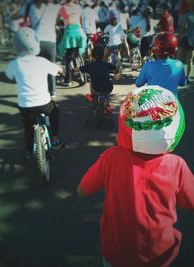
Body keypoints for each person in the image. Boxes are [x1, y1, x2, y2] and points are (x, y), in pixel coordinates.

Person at [77, 85, 194, 267]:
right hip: (160, 255)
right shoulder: (177, 165)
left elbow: (82, 190)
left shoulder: (111, 157)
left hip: (115, 253)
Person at [5, 27, 64, 159]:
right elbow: (58, 70)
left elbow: (9, 75)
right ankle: (55, 139)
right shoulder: (42, 62)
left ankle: (29, 152)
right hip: (43, 102)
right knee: (55, 112)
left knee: (28, 126)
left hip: (25, 105)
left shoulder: (15, 64)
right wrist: (60, 71)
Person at [135, 31, 186, 96]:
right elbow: (182, 83)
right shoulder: (179, 65)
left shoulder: (148, 65)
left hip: (153, 104)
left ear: (154, 47)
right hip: (172, 104)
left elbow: (138, 84)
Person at [29, 0, 60, 97]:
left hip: (36, 42)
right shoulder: (54, 7)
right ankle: (52, 92)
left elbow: (28, 22)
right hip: (50, 41)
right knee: (51, 67)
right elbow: (57, 20)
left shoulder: (32, 7)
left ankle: (38, 90)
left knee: (37, 68)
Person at [76, 45, 119, 113]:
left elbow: (79, 69)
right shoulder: (106, 64)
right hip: (108, 87)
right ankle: (108, 105)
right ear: (103, 56)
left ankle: (92, 96)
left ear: (92, 56)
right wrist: (115, 73)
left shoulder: (90, 65)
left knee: (91, 79)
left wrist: (74, 69)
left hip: (96, 89)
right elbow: (115, 69)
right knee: (107, 90)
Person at [56, 0, 87, 86]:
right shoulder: (78, 7)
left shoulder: (63, 8)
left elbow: (57, 19)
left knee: (68, 58)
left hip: (69, 32)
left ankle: (68, 80)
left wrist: (56, 25)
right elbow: (81, 21)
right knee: (76, 52)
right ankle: (78, 62)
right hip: (78, 32)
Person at [177, 1, 194, 84]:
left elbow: (183, 28)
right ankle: (188, 77)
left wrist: (178, 37)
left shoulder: (187, 15)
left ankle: (179, 76)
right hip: (193, 40)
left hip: (186, 39)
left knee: (179, 58)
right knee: (189, 59)